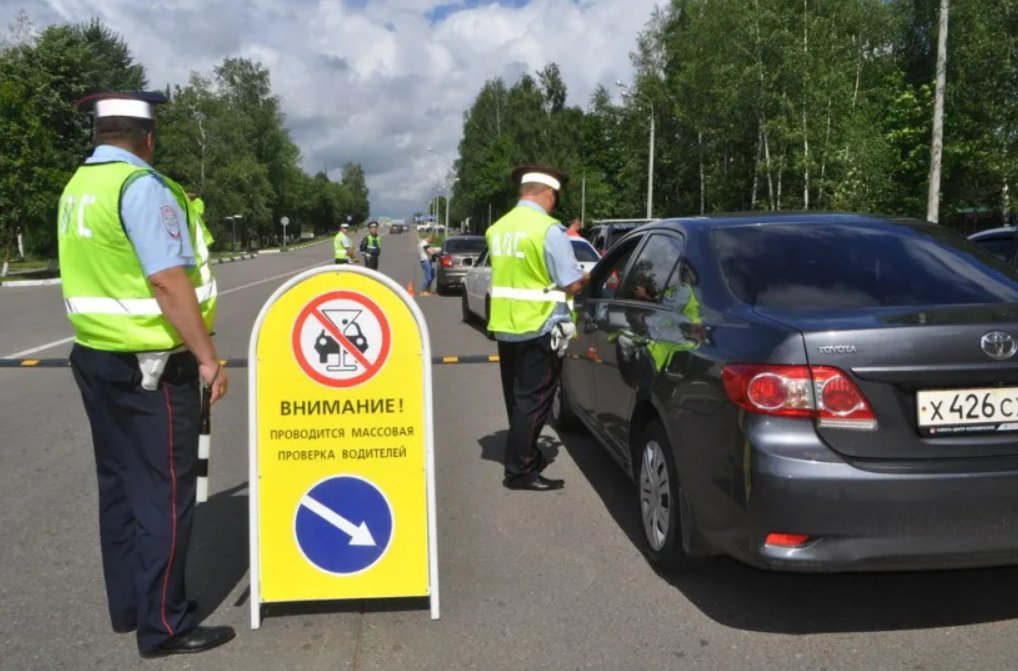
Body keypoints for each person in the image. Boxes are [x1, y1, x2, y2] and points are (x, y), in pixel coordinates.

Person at [57, 92, 234, 658]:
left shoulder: (78, 188)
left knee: (119, 487)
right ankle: (165, 625)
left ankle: (130, 607)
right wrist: (206, 357)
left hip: (94, 357)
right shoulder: (142, 188)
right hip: (150, 367)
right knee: (167, 493)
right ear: (148, 138)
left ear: (99, 132)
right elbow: (166, 282)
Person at [486, 164, 589, 491]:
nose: (553, 204)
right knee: (535, 400)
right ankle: (520, 472)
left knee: (517, 400)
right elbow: (571, 284)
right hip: (539, 325)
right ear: (547, 193)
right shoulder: (547, 229)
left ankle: (523, 455)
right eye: (554, 198)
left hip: (505, 325)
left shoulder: (498, 228)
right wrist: (588, 277)